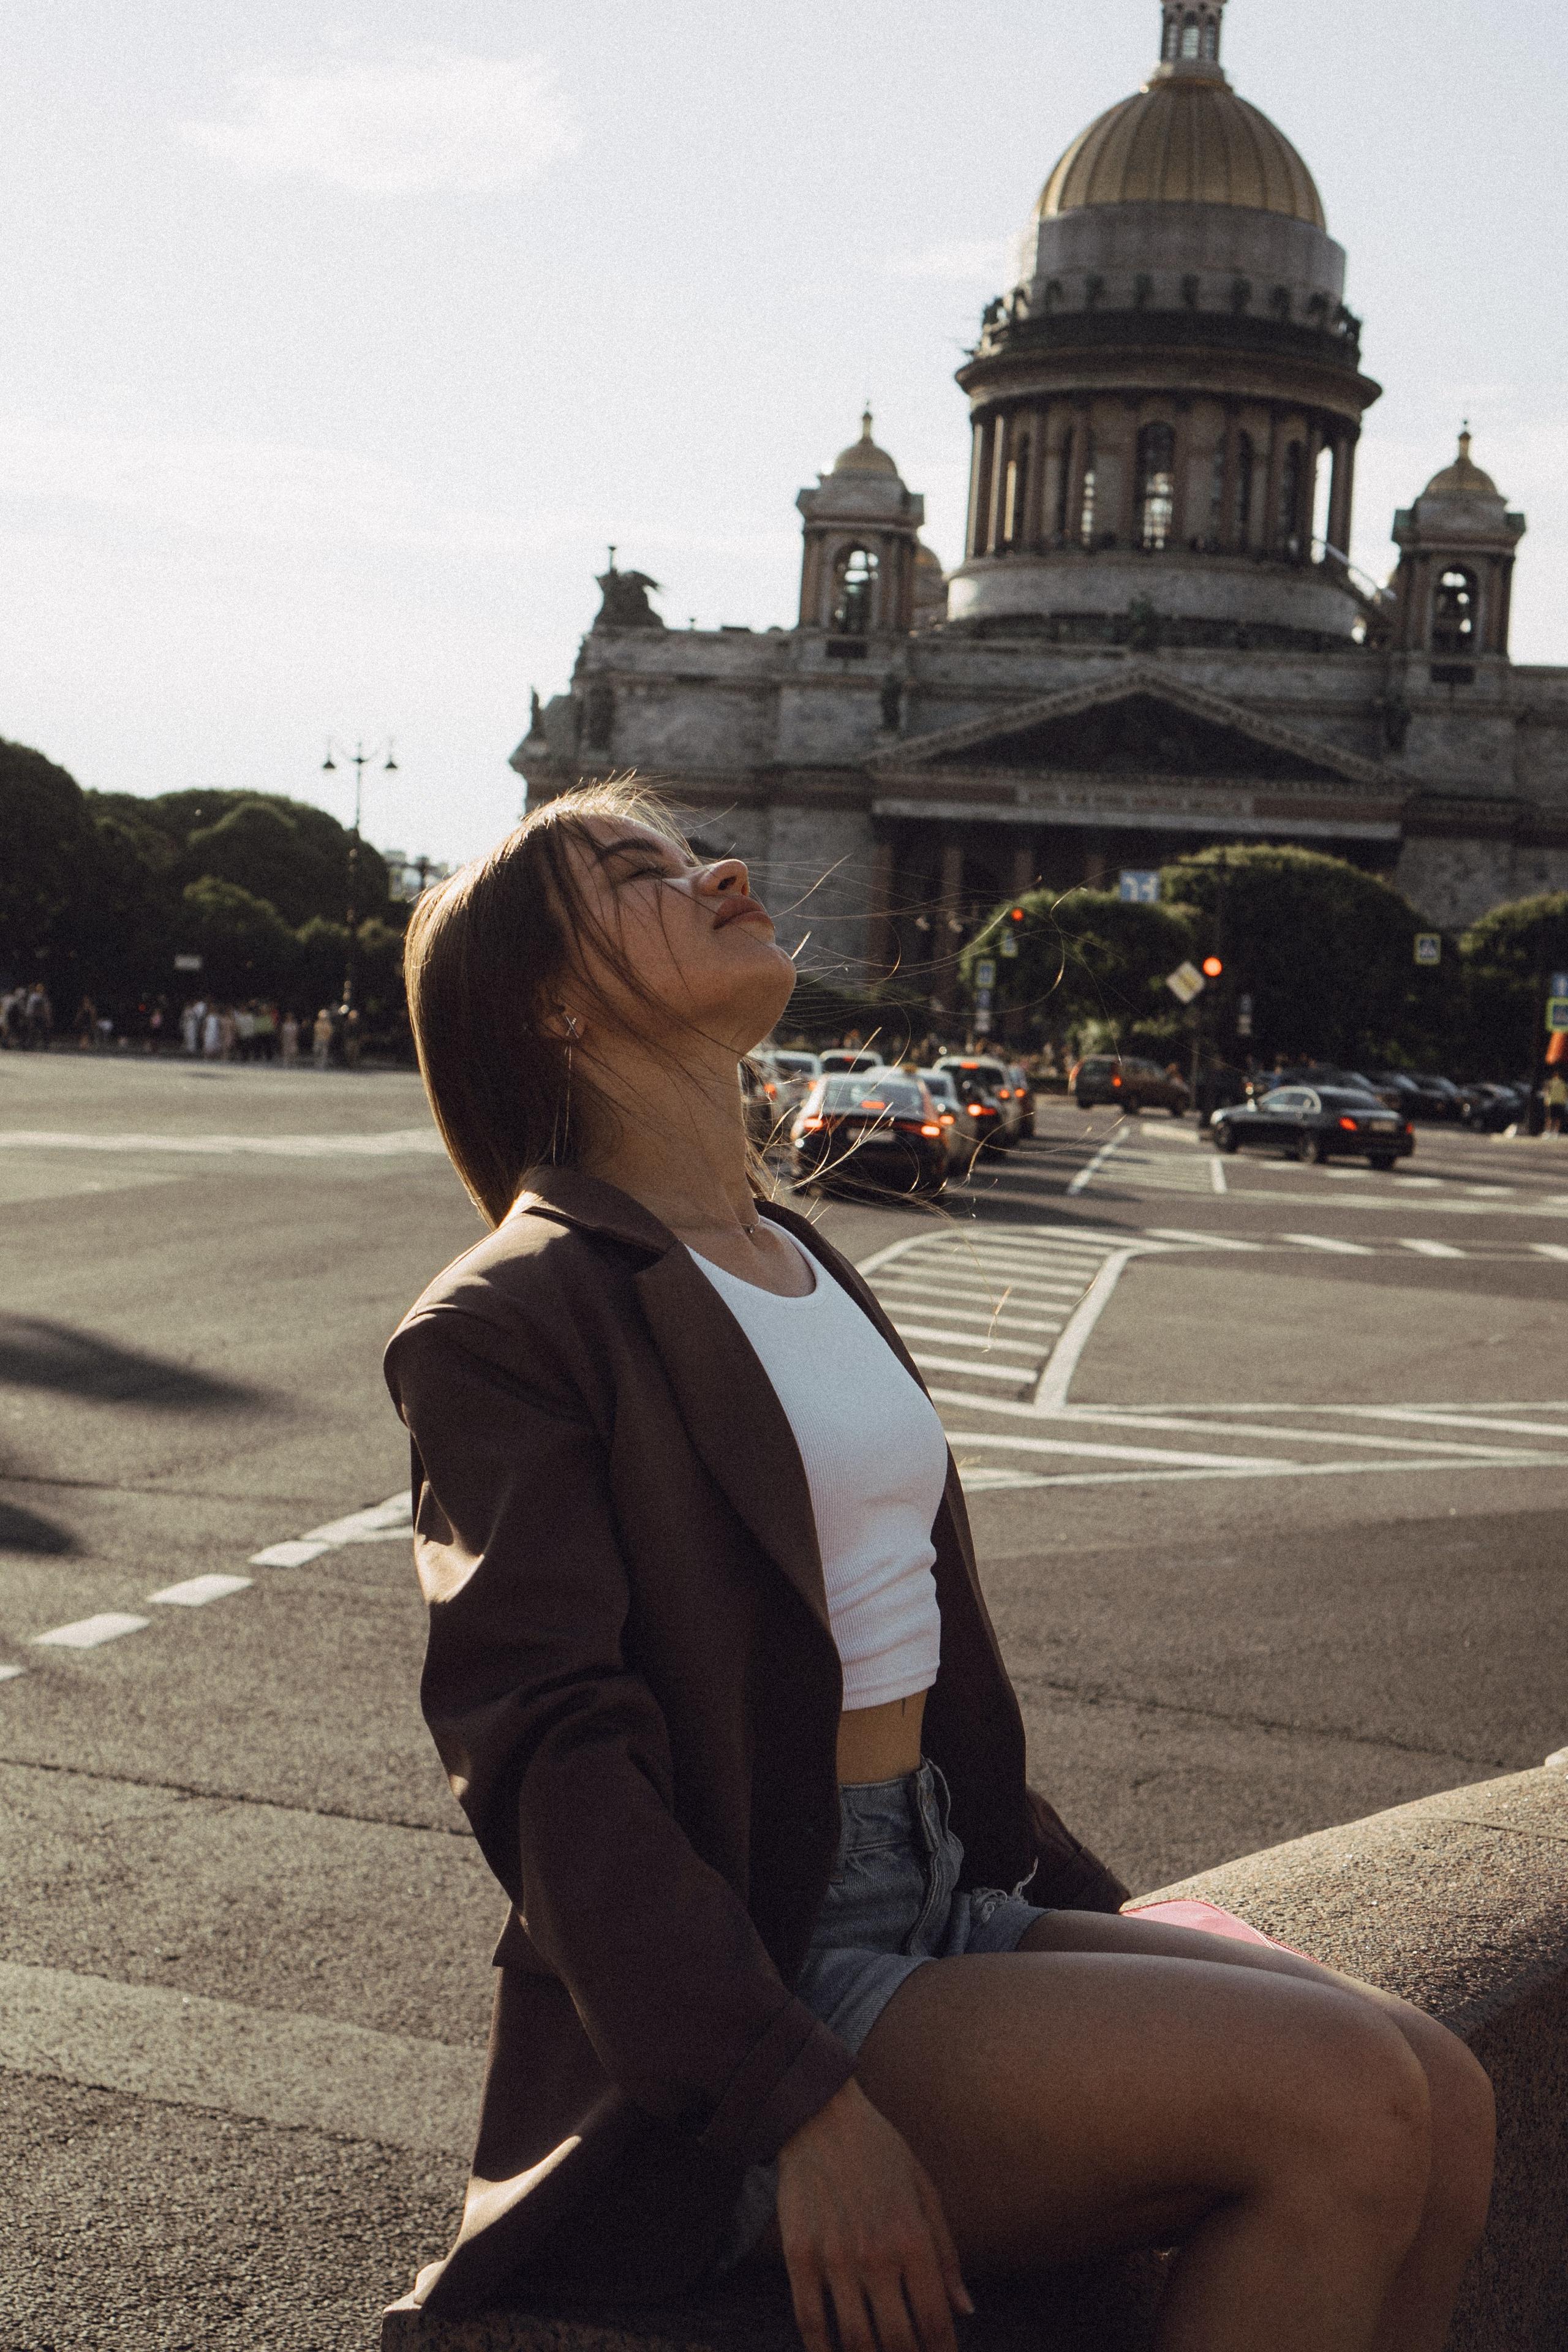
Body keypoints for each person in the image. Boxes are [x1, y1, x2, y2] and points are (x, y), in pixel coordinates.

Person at [383, 782, 1493, 2352]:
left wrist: (1109, 1923)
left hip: (944, 1889)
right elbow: (546, 1757)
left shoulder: (796, 1249)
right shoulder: (508, 1315)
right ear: (552, 1005)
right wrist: (793, 2103)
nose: (723, 869)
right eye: (640, 872)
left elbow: (905, 1653)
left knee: (1441, 2084)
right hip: (760, 1966)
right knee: (1345, 2104)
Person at [1544, 1065, 1566, 1137]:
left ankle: (1548, 1132)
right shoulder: (1564, 1084)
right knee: (1557, 1118)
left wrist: (1546, 1100)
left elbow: (1547, 1092)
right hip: (1560, 1102)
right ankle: (1555, 1132)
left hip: (1552, 1102)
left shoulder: (1550, 1082)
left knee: (1550, 1118)